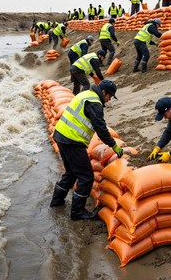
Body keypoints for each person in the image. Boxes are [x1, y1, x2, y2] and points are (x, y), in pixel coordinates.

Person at [50, 80, 123, 220]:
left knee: (71, 172)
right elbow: (101, 129)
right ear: (103, 92)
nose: (109, 99)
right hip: (72, 141)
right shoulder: (94, 103)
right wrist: (114, 145)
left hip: (61, 136)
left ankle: (57, 202)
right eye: (109, 96)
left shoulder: (86, 94)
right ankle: (78, 212)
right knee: (86, 176)